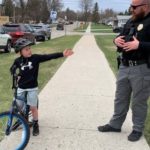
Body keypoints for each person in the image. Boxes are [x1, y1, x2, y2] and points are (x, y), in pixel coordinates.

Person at [98, 0, 150, 142]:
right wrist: (116, 41)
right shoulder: (131, 20)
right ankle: (115, 124)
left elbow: (142, 44)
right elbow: (120, 35)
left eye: (134, 7)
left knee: (138, 101)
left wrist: (139, 45)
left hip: (141, 68)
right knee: (120, 97)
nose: (131, 9)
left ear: (145, 6)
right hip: (124, 66)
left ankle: (137, 128)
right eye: (131, 6)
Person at [10, 38, 74, 136]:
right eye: (26, 49)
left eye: (29, 48)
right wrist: (16, 74)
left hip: (32, 87)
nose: (29, 51)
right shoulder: (17, 61)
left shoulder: (35, 58)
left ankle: (35, 123)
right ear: (20, 51)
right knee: (18, 106)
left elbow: (48, 56)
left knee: (33, 107)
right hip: (21, 87)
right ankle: (21, 120)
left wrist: (62, 54)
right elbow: (13, 69)